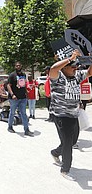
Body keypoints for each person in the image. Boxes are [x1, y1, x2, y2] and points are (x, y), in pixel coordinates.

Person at [49, 49, 92, 181]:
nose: (75, 69)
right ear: (65, 68)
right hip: (61, 115)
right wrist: (70, 58)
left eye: (76, 67)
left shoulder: (76, 76)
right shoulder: (57, 77)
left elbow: (90, 72)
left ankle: (55, 152)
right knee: (68, 142)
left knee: (71, 141)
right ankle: (65, 169)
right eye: (73, 67)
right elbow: (53, 68)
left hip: (74, 114)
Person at [7, 61, 34, 136]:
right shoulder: (12, 75)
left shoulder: (23, 75)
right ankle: (10, 127)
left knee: (23, 113)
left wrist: (26, 93)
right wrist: (12, 94)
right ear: (15, 67)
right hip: (14, 98)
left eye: (19, 66)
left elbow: (24, 85)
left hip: (23, 97)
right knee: (12, 112)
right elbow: (8, 86)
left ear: (21, 66)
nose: (18, 67)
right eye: (16, 66)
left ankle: (26, 130)